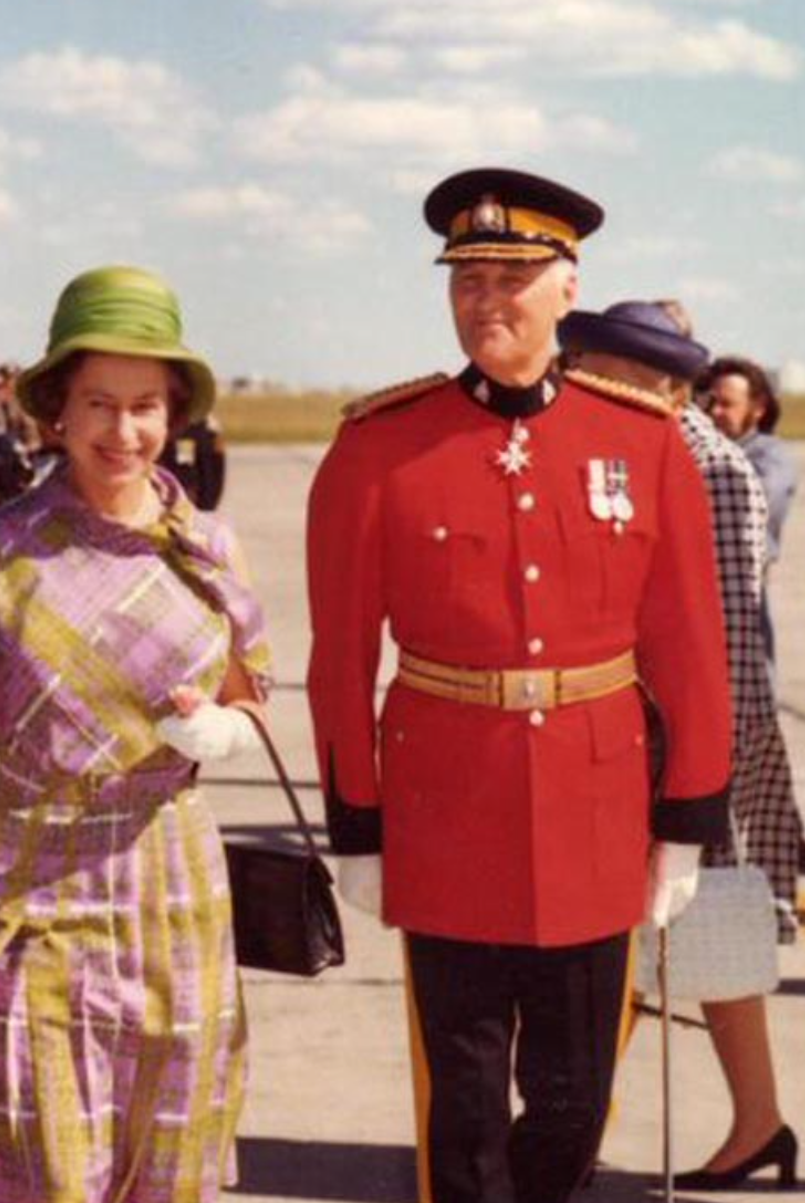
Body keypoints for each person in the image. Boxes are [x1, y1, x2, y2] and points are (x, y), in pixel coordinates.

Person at [306, 168, 733, 1203]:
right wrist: (355, 826)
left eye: (510, 277)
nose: (484, 301)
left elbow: (687, 643)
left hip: (595, 816)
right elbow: (337, 657)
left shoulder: (638, 440)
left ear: (565, 286)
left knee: (575, 1095)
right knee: (458, 1108)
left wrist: (683, 820)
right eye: (464, 281)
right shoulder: (379, 447)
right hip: (445, 812)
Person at [0, 265, 272, 1203]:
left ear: (174, 410)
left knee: (170, 1172)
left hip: (177, 893)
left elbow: (250, 700)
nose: (124, 430)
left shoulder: (210, 548)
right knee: (38, 1169)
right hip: (32, 893)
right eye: (98, 403)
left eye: (146, 404)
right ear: (56, 409)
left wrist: (222, 734)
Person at [561, 301, 800, 1190]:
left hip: (683, 747)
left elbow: (723, 643)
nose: (569, 383)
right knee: (663, 941)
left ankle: (585, 1122)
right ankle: (748, 1121)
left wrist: (693, 778)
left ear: (648, 378)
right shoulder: (630, 447)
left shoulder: (707, 465)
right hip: (640, 739)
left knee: (677, 933)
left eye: (588, 368)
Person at [702, 356, 800, 670]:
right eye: (712, 402)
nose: (715, 412)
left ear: (757, 408)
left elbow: (749, 504)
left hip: (742, 600)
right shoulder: (711, 450)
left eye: (727, 404)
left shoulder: (771, 456)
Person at [159, 415, 227, 510]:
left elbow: (217, 468)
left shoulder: (211, 427)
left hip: (193, 496)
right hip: (184, 493)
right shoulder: (209, 426)